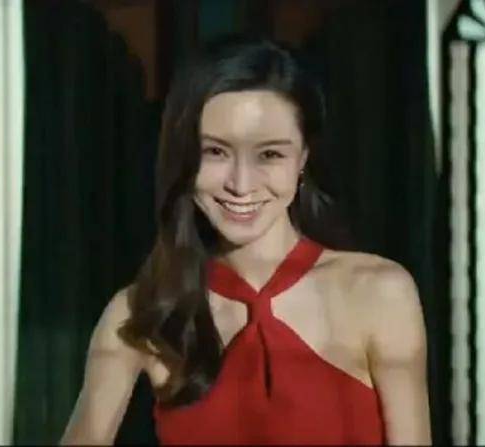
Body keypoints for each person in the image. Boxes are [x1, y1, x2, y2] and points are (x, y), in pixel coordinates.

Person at [60, 34, 431, 445]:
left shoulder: (378, 293)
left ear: (303, 158)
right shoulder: (142, 311)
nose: (240, 184)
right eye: (215, 152)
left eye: (270, 155)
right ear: (183, 155)